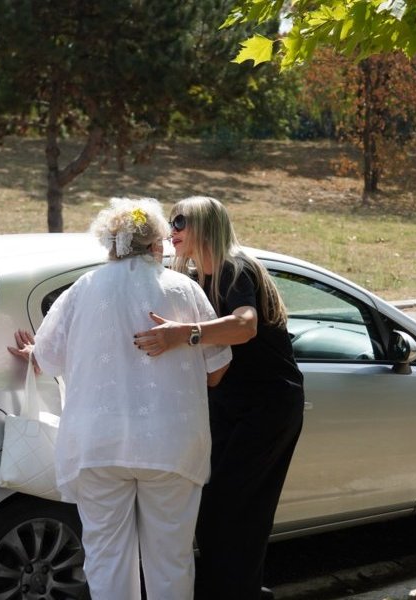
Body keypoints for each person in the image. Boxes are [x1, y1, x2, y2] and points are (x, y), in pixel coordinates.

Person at [8, 197, 231, 599]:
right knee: (170, 560)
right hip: (171, 445)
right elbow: (217, 370)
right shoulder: (184, 289)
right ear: (156, 243)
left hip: (98, 446)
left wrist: (32, 355)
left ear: (111, 245)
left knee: (107, 559)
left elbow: (48, 357)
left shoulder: (83, 289)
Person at [132, 195, 305, 600]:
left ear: (205, 226)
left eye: (179, 222)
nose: (171, 232)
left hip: (267, 407)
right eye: (170, 224)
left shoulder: (233, 268)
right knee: (215, 512)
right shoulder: (194, 276)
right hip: (228, 405)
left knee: (235, 512)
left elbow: (245, 326)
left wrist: (185, 333)